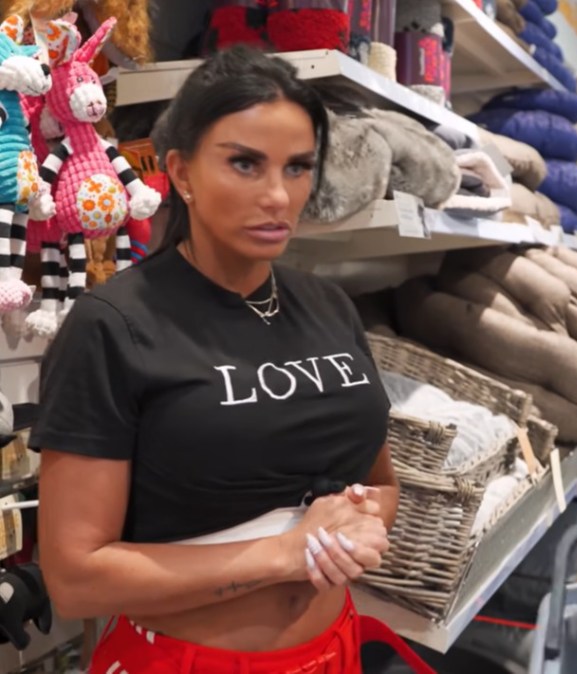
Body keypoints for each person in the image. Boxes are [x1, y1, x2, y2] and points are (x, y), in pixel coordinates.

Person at [32, 46, 404, 673]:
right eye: (245, 164)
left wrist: (357, 526)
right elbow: (77, 579)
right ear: (181, 173)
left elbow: (381, 486)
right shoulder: (116, 325)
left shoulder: (330, 307)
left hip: (332, 649)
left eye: (297, 168)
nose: (279, 196)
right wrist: (283, 554)